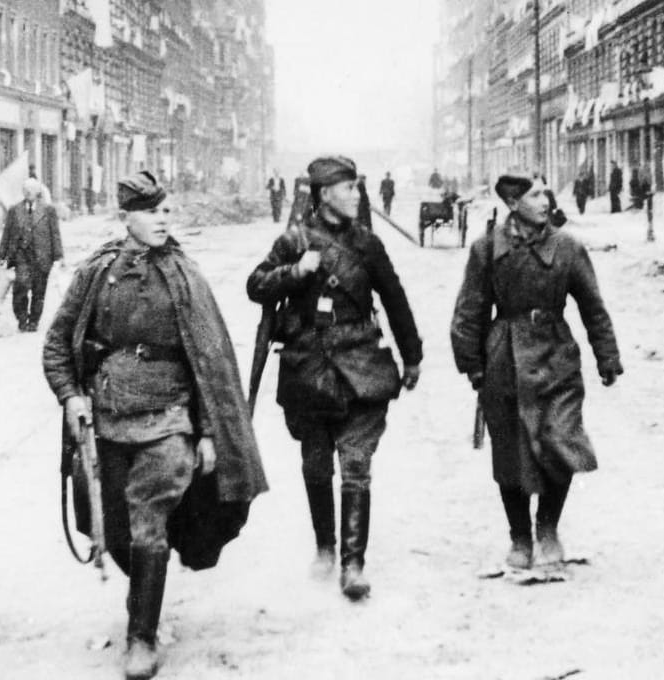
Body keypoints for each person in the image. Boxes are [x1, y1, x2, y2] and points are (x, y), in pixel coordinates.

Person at [44, 172, 267, 679]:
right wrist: (70, 397)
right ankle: (146, 596)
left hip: (169, 422)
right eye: (151, 211)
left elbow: (210, 364)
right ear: (127, 218)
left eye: (167, 210)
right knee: (112, 528)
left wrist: (209, 432)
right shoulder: (96, 273)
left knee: (149, 524)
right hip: (105, 424)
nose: (163, 218)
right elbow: (57, 345)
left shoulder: (185, 276)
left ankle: (140, 638)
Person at [247, 156, 421, 600]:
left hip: (362, 363)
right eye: (349, 189)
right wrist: (296, 272)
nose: (357, 196)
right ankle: (325, 547)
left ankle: (353, 563)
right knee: (316, 462)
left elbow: (395, 298)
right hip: (309, 368)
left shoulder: (367, 245)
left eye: (358, 189)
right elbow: (256, 285)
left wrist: (412, 355)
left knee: (357, 464)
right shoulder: (293, 242)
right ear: (324, 194)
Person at [450, 173, 622, 572]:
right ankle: (519, 537)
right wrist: (472, 365)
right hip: (504, 359)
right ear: (513, 203)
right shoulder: (486, 249)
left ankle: (547, 527)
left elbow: (593, 307)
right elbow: (469, 311)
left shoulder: (567, 247)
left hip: (556, 356)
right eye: (534, 194)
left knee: (561, 441)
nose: (545, 200)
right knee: (509, 449)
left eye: (546, 192)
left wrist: (607, 356)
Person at [0, 177, 64, 332]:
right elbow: (6, 233)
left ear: (38, 191)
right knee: (20, 286)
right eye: (25, 190)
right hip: (21, 256)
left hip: (42, 257)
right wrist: (2, 255)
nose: (28, 193)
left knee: (39, 291)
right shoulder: (14, 210)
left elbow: (55, 234)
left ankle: (34, 321)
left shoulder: (48, 210)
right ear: (22, 192)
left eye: (31, 190)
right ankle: (21, 319)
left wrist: (58, 257)